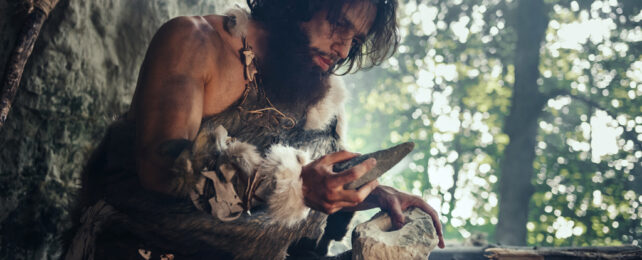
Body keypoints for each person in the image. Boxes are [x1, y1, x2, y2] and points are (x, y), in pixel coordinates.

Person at [65, 0, 444, 259]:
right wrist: (291, 185)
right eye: (339, 23)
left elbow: (309, 203)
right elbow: (161, 166)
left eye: (355, 39)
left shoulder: (320, 99)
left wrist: (365, 190)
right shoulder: (194, 41)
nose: (344, 48)